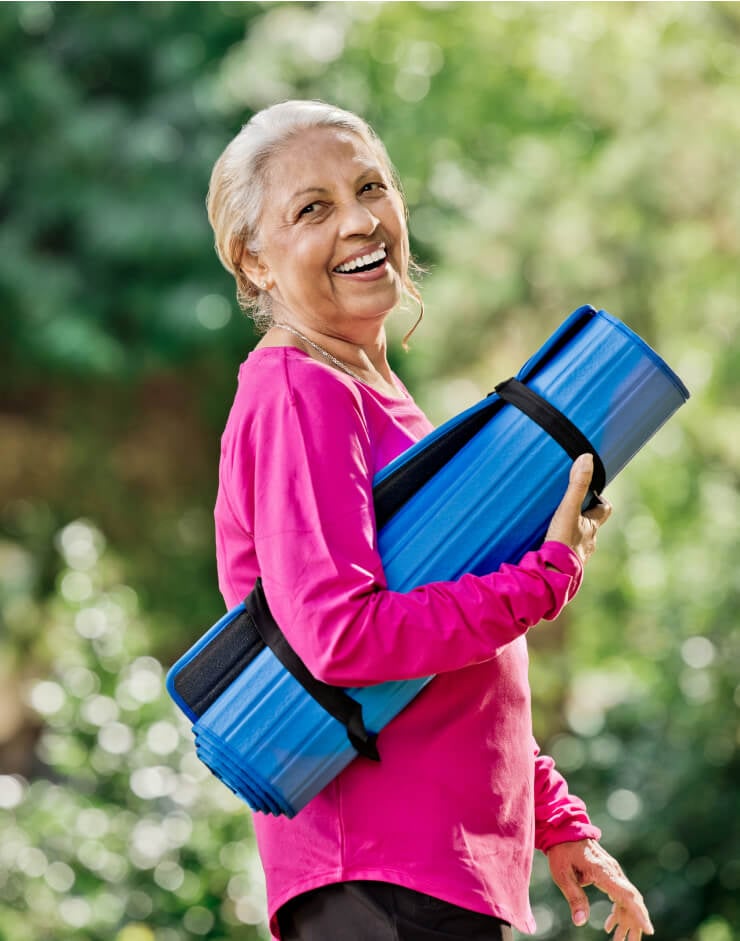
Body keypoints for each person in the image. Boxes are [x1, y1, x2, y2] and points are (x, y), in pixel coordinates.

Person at [206, 100, 654, 941]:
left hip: (425, 875)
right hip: (373, 874)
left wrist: (553, 816)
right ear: (255, 262)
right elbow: (341, 640)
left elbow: (440, 673)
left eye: (371, 187)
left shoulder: (367, 395)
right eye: (314, 208)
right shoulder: (299, 390)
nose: (362, 220)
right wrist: (540, 582)